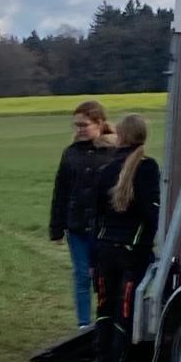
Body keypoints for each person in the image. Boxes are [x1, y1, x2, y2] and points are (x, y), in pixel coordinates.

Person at [91, 113, 160, 362]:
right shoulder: (147, 167)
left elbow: (95, 213)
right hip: (133, 249)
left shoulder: (106, 169)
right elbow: (151, 211)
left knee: (104, 306)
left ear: (119, 135)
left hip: (104, 247)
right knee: (126, 309)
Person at [48, 100, 116, 331]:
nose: (79, 129)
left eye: (84, 125)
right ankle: (84, 325)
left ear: (99, 123)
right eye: (76, 125)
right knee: (81, 275)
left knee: (104, 276)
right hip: (77, 226)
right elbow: (61, 191)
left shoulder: (114, 152)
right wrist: (56, 228)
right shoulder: (70, 153)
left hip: (105, 227)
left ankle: (106, 321)